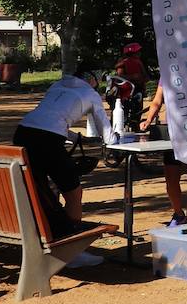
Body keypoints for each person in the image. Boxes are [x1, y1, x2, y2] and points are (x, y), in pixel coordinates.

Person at [12, 67, 117, 264]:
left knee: (40, 191)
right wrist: (115, 139)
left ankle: (47, 239)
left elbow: (48, 117)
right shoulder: (90, 93)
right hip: (48, 141)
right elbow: (107, 132)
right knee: (73, 193)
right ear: (92, 80)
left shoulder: (57, 85)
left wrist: (72, 136)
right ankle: (72, 251)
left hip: (23, 132)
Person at [139, 83, 187, 226]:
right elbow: (157, 101)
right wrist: (148, 119)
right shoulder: (166, 74)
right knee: (171, 178)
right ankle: (179, 214)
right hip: (172, 132)